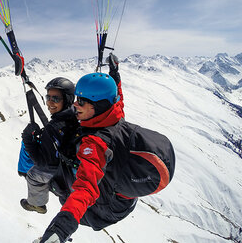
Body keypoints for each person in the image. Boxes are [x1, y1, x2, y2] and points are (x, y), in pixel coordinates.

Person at [34, 53, 176, 243]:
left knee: (56, 181)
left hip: (104, 211)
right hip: (124, 199)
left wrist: (60, 229)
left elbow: (85, 187)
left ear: (99, 105)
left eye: (82, 101)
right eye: (76, 99)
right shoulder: (114, 115)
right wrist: (115, 74)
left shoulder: (96, 143)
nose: (75, 105)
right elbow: (118, 99)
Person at [19, 77, 79, 214]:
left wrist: (27, 138)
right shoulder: (77, 114)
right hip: (75, 167)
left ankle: (36, 204)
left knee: (33, 174)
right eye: (48, 97)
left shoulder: (52, 128)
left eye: (56, 99)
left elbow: (41, 161)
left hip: (65, 173)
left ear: (67, 99)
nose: (50, 102)